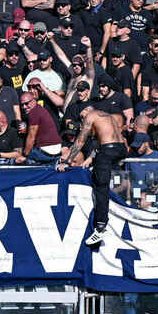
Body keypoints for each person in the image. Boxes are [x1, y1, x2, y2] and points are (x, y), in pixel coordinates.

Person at [58, 105, 127, 246]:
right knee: (102, 174)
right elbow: (102, 142)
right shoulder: (107, 116)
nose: (82, 118)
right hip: (120, 149)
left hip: (108, 150)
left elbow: (80, 140)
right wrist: (91, 158)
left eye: (82, 115)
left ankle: (100, 226)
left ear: (87, 110)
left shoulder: (91, 115)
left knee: (100, 187)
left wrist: (67, 161)